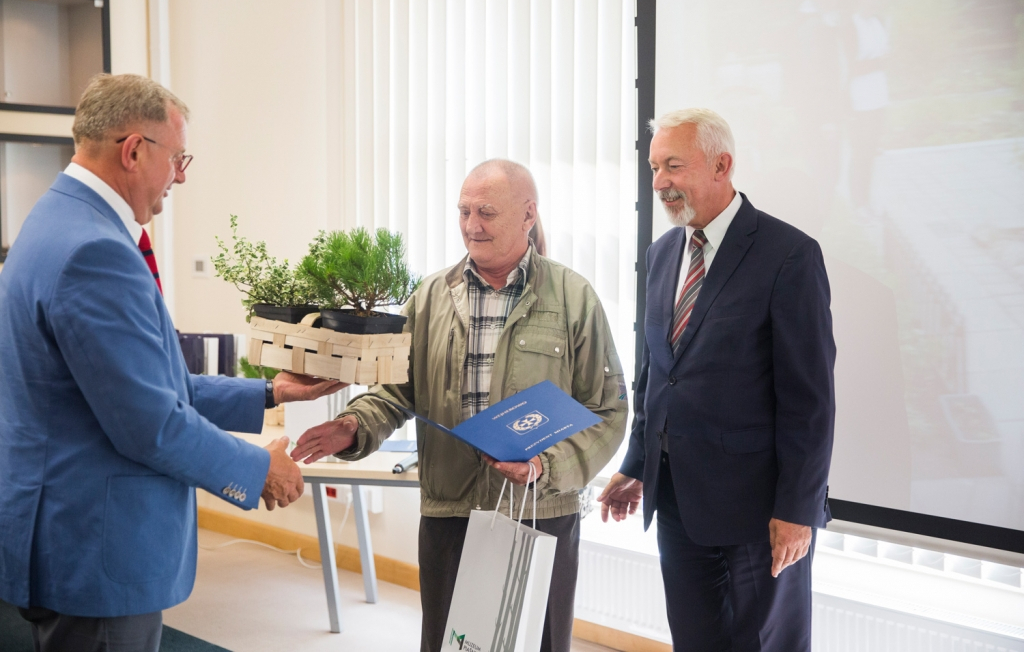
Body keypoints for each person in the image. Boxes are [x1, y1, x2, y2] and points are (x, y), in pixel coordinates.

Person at [0, 73, 345, 652]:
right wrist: (259, 469)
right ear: (134, 150)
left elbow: (148, 385)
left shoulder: (54, 219)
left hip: (63, 530)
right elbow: (149, 423)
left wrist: (269, 393)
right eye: (178, 157)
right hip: (94, 550)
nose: (181, 175)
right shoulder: (96, 251)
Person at [291, 158, 628, 652]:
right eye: (464, 211)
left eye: (487, 212)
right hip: (450, 510)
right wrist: (353, 425)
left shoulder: (573, 297)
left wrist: (544, 465)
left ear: (528, 215)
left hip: (540, 512)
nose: (472, 225)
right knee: (452, 644)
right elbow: (398, 389)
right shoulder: (430, 296)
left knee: (538, 642)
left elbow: (608, 410)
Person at [598, 109, 835, 651]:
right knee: (696, 642)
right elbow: (658, 374)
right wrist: (637, 464)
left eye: (673, 166)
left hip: (759, 513)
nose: (659, 182)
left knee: (763, 644)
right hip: (678, 500)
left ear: (722, 165)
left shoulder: (789, 256)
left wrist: (797, 512)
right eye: (655, 167)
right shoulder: (663, 253)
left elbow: (811, 402)